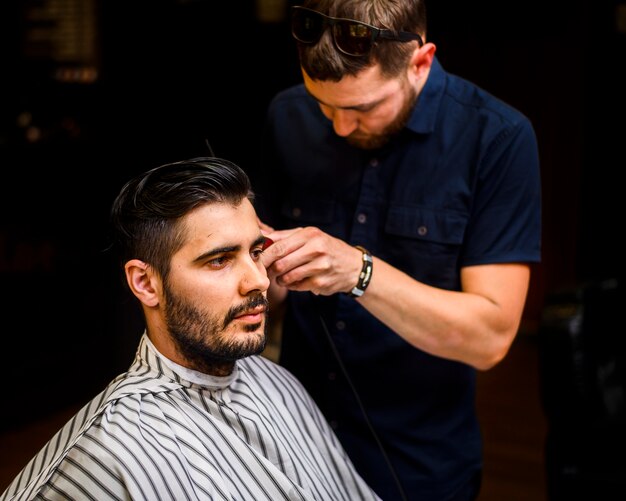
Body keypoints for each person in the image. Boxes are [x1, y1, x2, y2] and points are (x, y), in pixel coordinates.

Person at [252, 1, 542, 500]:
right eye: (324, 104)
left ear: (421, 62)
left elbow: (489, 338)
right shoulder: (287, 115)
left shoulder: (498, 138)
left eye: (362, 108)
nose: (339, 127)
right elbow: (271, 298)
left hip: (417, 459)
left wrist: (358, 273)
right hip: (292, 446)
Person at [0, 157, 382, 501]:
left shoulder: (279, 382)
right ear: (146, 284)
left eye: (255, 252)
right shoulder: (108, 450)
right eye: (219, 260)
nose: (259, 282)